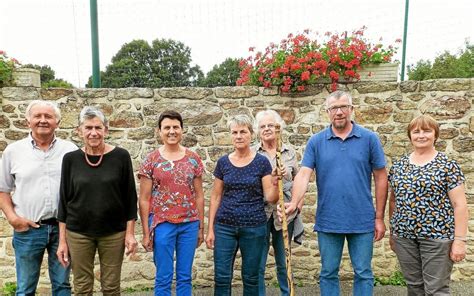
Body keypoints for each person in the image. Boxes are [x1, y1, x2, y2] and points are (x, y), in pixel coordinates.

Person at [284, 90, 388, 296]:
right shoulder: (316, 141)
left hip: (362, 220)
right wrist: (294, 202)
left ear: (351, 109)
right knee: (328, 272)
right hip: (329, 220)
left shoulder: (369, 139)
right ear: (327, 112)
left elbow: (381, 177)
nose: (339, 112)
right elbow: (304, 174)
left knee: (364, 273)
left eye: (343, 107)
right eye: (334, 108)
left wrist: (379, 217)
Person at [56, 106, 138, 295]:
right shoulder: (70, 159)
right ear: (79, 131)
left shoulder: (121, 156)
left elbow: (129, 198)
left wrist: (130, 234)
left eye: (98, 128)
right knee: (82, 287)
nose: (93, 133)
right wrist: (62, 241)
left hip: (113, 233)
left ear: (106, 130)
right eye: (88, 128)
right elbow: (64, 201)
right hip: (78, 233)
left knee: (111, 287)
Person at [0, 100, 77, 295]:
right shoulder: (13, 151)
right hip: (28, 230)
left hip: (63, 230)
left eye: (48, 117)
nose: (43, 120)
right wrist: (13, 219)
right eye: (38, 116)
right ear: (28, 121)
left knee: (62, 285)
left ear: (57, 123)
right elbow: (2, 189)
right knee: (25, 288)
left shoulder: (71, 151)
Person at [388, 114, 468, 295]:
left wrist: (460, 241)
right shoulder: (399, 166)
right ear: (410, 136)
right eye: (416, 131)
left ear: (435, 135)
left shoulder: (448, 165)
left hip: (437, 237)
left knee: (436, 290)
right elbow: (393, 201)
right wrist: (392, 234)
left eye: (426, 131)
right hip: (404, 237)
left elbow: (460, 205)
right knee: (414, 287)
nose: (421, 135)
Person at [205, 114, 279, 296]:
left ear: (251, 134)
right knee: (222, 277)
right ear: (231, 135)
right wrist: (210, 229)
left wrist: (276, 181)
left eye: (243, 132)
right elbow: (215, 197)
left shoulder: (262, 162)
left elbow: (271, 198)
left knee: (252, 277)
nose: (239, 136)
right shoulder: (223, 163)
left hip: (254, 226)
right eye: (235, 132)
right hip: (224, 227)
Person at [138, 110, 205, 296]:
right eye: (167, 127)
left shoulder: (193, 158)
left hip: (189, 224)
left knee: (185, 276)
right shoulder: (151, 160)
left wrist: (201, 226)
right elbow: (144, 198)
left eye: (176, 127)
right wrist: (145, 231)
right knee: (163, 276)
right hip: (162, 224)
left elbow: (199, 195)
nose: (172, 131)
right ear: (159, 131)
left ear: (182, 130)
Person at [254, 110, 304, 296]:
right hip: (260, 213)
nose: (267, 129)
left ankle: (286, 293)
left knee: (284, 261)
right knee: (258, 261)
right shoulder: (253, 153)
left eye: (271, 125)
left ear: (278, 128)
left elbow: (299, 180)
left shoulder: (289, 152)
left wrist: (297, 205)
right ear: (258, 131)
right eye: (262, 126)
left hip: (285, 213)